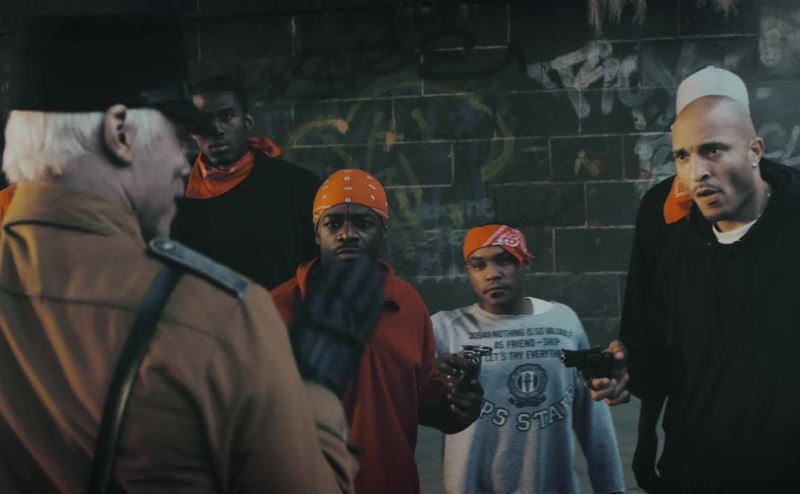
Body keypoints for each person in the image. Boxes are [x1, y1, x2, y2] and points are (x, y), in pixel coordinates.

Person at [0, 14, 379, 493]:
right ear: (121, 134)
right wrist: (317, 392)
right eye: (175, 137)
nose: (183, 163)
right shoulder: (219, 320)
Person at [629, 66, 800, 492]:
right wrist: (630, 376)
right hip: (696, 462)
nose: (697, 172)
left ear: (753, 147)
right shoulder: (674, 238)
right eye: (683, 155)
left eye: (714, 149)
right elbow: (653, 333)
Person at [271, 168, 484, 494]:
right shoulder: (276, 310)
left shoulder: (408, 306)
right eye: (333, 224)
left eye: (363, 223)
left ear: (382, 231)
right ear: (316, 233)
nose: (348, 234)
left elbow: (422, 395)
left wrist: (455, 405)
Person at [431, 224, 625, 494]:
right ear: (469, 272)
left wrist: (612, 488)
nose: (492, 274)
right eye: (479, 265)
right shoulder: (445, 329)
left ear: (525, 264)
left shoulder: (563, 322)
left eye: (504, 261)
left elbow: (594, 421)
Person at [171, 76, 319, 289]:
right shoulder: (170, 191)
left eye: (226, 117)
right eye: (203, 120)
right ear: (192, 130)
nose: (216, 129)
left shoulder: (298, 186)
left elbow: (318, 269)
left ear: (247, 122)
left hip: (277, 310)